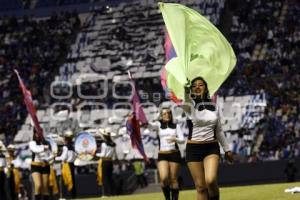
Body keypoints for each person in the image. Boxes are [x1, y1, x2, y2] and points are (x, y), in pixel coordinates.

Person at [183, 77, 233, 200]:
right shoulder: (188, 105)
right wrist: (185, 89)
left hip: (211, 147)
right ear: (191, 90)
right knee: (200, 187)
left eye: (201, 85)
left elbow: (219, 130)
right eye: (194, 86)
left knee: (210, 181)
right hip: (193, 149)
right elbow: (187, 98)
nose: (197, 87)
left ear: (205, 89)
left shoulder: (214, 107)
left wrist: (227, 149)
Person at [148, 107, 185, 200]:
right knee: (164, 178)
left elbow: (182, 140)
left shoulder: (176, 126)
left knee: (174, 179)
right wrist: (153, 118)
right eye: (164, 114)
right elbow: (149, 125)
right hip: (162, 154)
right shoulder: (158, 125)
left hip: (174, 154)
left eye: (169, 113)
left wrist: (175, 139)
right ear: (161, 116)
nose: (167, 115)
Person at [29, 129, 53, 200]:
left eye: (40, 133)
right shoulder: (32, 143)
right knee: (38, 185)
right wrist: (44, 147)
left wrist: (49, 158)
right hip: (35, 166)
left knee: (45, 187)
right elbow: (35, 149)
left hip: (45, 165)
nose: (38, 134)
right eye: (37, 133)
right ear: (34, 134)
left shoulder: (47, 143)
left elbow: (50, 155)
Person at [55, 130, 77, 199]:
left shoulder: (65, 147)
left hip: (66, 165)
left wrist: (55, 158)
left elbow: (63, 157)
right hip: (72, 165)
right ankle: (72, 196)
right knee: (72, 180)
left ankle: (66, 196)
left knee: (65, 180)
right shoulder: (73, 147)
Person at [96, 127, 117, 197]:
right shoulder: (113, 144)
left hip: (105, 161)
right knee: (110, 177)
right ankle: (112, 193)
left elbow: (103, 154)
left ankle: (106, 194)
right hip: (110, 161)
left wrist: (95, 154)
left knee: (105, 178)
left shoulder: (104, 144)